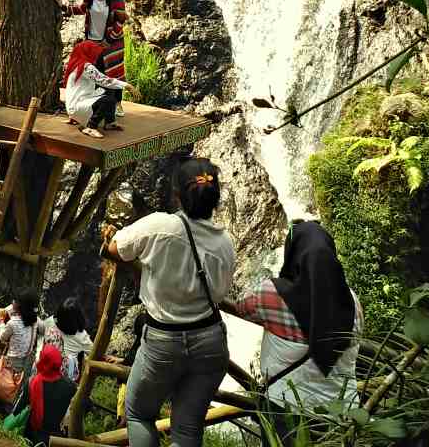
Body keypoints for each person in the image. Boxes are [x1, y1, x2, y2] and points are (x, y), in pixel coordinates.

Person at [102, 158, 235, 447]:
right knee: (187, 430)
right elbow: (220, 293)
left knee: (139, 414)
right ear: (216, 199)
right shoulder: (225, 244)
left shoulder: (158, 226)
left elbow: (115, 248)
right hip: (210, 341)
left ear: (177, 195)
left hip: (163, 340)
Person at [233, 220, 363, 444]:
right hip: (343, 413)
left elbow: (241, 307)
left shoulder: (272, 294)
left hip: (289, 415)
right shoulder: (352, 301)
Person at [62, 0, 127, 110]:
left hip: (111, 43)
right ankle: (100, 107)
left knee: (112, 72)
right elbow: (82, 9)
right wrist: (64, 8)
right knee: (95, 74)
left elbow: (120, 20)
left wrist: (109, 39)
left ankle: (117, 104)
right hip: (92, 42)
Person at [3, 344, 77, 445]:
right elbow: (85, 406)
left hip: (33, 438)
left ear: (42, 360)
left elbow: (17, 411)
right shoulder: (70, 386)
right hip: (59, 438)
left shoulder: (32, 383)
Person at [64, 40, 129, 139]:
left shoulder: (75, 64)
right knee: (108, 100)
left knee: (109, 92)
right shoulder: (86, 67)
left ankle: (110, 122)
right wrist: (125, 85)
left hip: (76, 105)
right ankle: (91, 127)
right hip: (78, 106)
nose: (97, 56)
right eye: (94, 53)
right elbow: (103, 80)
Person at [41, 297, 94, 381]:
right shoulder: (81, 336)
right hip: (65, 376)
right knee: (75, 358)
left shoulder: (50, 322)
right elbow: (94, 353)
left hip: (46, 367)